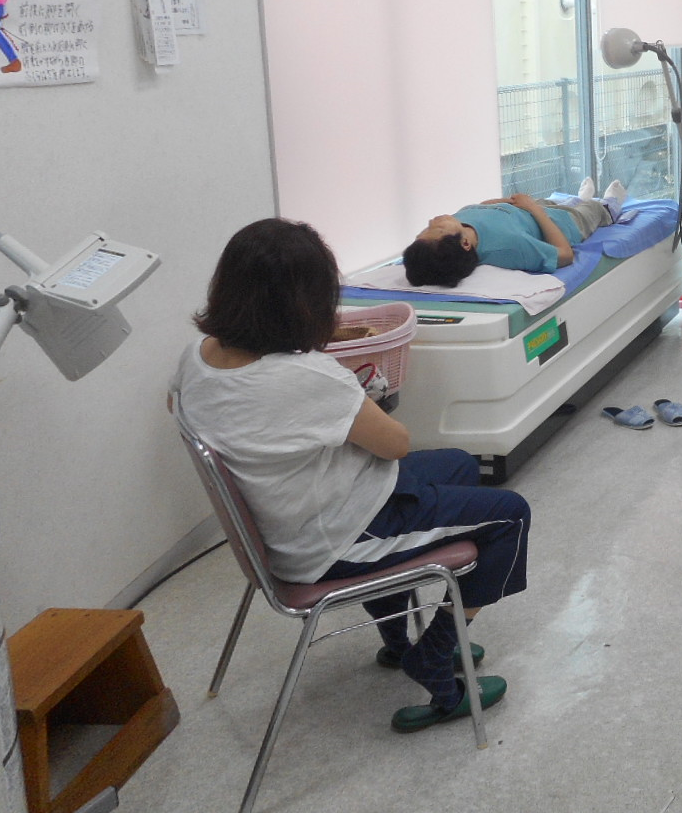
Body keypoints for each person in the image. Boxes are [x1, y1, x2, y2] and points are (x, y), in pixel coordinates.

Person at [171, 219, 531, 733]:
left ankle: (396, 638)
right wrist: (355, 396)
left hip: (302, 514)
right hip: (336, 540)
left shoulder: (197, 359)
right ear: (305, 301)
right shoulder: (305, 376)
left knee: (459, 463)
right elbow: (395, 443)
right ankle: (433, 654)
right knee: (511, 515)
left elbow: (193, 409)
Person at [402, 177, 626, 287]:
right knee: (591, 210)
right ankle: (610, 204)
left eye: (425, 229)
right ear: (465, 244)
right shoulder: (509, 246)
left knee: (555, 201)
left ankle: (578, 198)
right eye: (438, 228)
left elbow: (481, 208)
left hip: (528, 210)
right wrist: (533, 209)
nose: (432, 220)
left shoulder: (458, 224)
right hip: (564, 224)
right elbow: (565, 255)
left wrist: (514, 203)